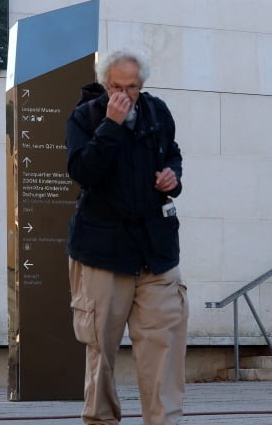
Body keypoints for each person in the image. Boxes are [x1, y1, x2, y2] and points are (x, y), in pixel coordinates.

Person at [65, 51, 187, 425]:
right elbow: (83, 171)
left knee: (163, 346)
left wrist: (173, 176)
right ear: (105, 84)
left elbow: (174, 154)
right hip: (103, 251)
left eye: (131, 87)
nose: (124, 93)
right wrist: (111, 126)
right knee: (101, 348)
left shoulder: (158, 112)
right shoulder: (85, 117)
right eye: (117, 86)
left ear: (142, 85)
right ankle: (100, 419)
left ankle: (163, 421)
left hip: (156, 250)